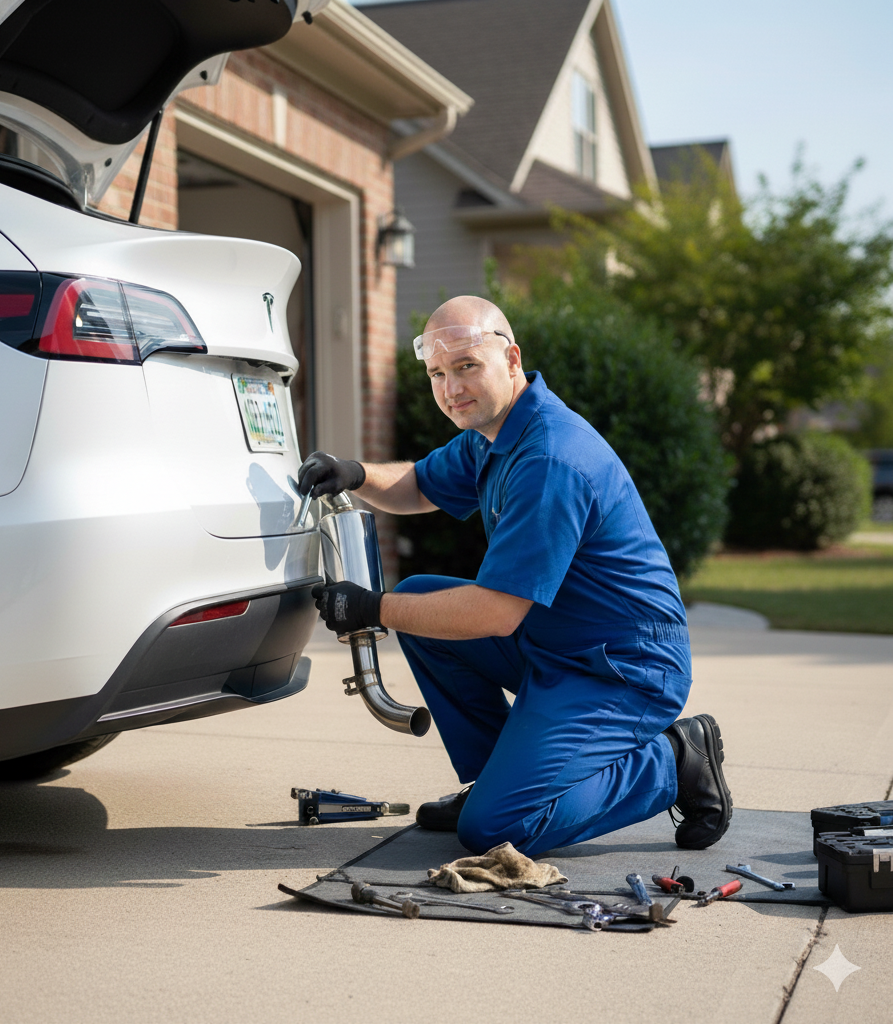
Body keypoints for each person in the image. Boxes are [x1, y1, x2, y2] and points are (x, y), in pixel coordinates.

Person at [298, 295, 731, 856]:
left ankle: (674, 760)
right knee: (420, 600)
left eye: (466, 367)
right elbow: (419, 485)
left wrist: (370, 608)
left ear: (511, 359)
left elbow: (495, 614)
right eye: (436, 373)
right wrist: (353, 473)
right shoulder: (495, 433)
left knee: (495, 830)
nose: (451, 389)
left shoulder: (549, 458)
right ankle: (493, 779)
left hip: (622, 668)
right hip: (557, 643)